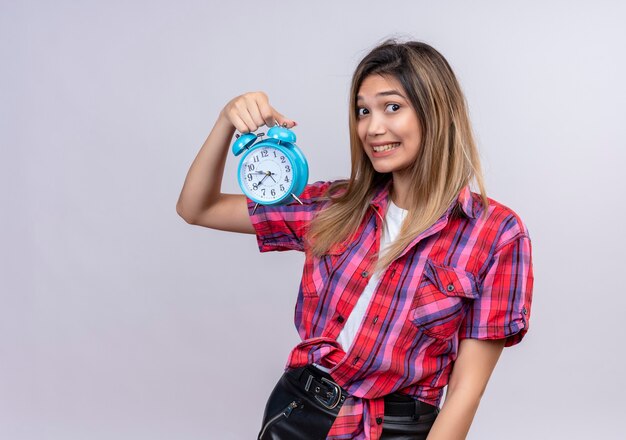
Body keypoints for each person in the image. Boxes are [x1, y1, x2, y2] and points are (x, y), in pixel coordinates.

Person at [176, 39, 534, 440]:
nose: (372, 127)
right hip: (299, 413)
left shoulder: (496, 234)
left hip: (399, 430)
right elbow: (197, 207)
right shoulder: (335, 206)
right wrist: (228, 119)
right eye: (363, 111)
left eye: (392, 107)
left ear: (437, 112)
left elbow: (466, 393)